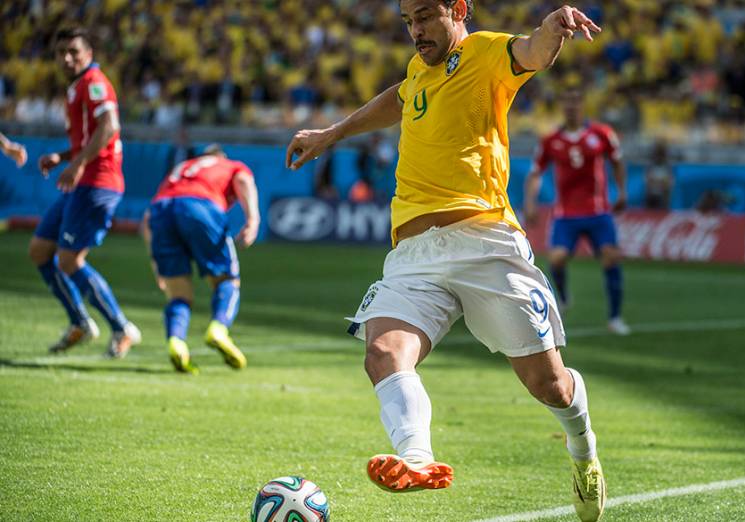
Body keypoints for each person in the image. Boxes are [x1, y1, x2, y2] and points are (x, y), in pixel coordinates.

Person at [286, 2, 606, 520]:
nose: (416, 31)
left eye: (426, 17)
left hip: (485, 241)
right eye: (409, 21)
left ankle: (583, 448)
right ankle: (417, 459)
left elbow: (529, 53)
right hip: (413, 255)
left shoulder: (483, 54)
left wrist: (551, 29)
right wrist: (333, 133)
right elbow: (401, 97)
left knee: (548, 385)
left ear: (458, 10)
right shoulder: (419, 70)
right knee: (384, 352)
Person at [29, 27, 141, 357]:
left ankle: (122, 328)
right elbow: (90, 136)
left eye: (73, 52)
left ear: (89, 54)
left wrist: (76, 164)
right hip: (82, 181)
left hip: (98, 183)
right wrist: (63, 157)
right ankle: (80, 321)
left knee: (68, 260)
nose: (66, 58)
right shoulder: (77, 86)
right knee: (39, 251)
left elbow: (110, 127)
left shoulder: (94, 83)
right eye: (60, 52)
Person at [524, 89, 630, 335]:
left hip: (598, 211)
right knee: (557, 258)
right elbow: (535, 173)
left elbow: (617, 162)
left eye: (576, 101)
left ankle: (615, 318)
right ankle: (563, 298)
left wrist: (622, 192)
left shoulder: (602, 134)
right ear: (562, 106)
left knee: (610, 257)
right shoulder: (550, 141)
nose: (572, 106)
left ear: (583, 104)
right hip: (566, 214)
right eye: (567, 101)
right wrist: (530, 202)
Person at [145, 144, 259, 374]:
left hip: (161, 212)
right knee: (227, 280)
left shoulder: (182, 169)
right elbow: (244, 181)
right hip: (200, 206)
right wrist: (253, 220)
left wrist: (155, 262)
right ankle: (218, 329)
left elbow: (147, 219)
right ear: (219, 157)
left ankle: (176, 343)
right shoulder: (230, 165)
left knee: (177, 293)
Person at [644, 139, 673, 209]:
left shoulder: (667, 167)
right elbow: (648, 181)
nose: (659, 156)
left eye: (661, 154)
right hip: (652, 198)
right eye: (658, 153)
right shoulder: (650, 166)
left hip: (663, 198)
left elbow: (668, 183)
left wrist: (661, 184)